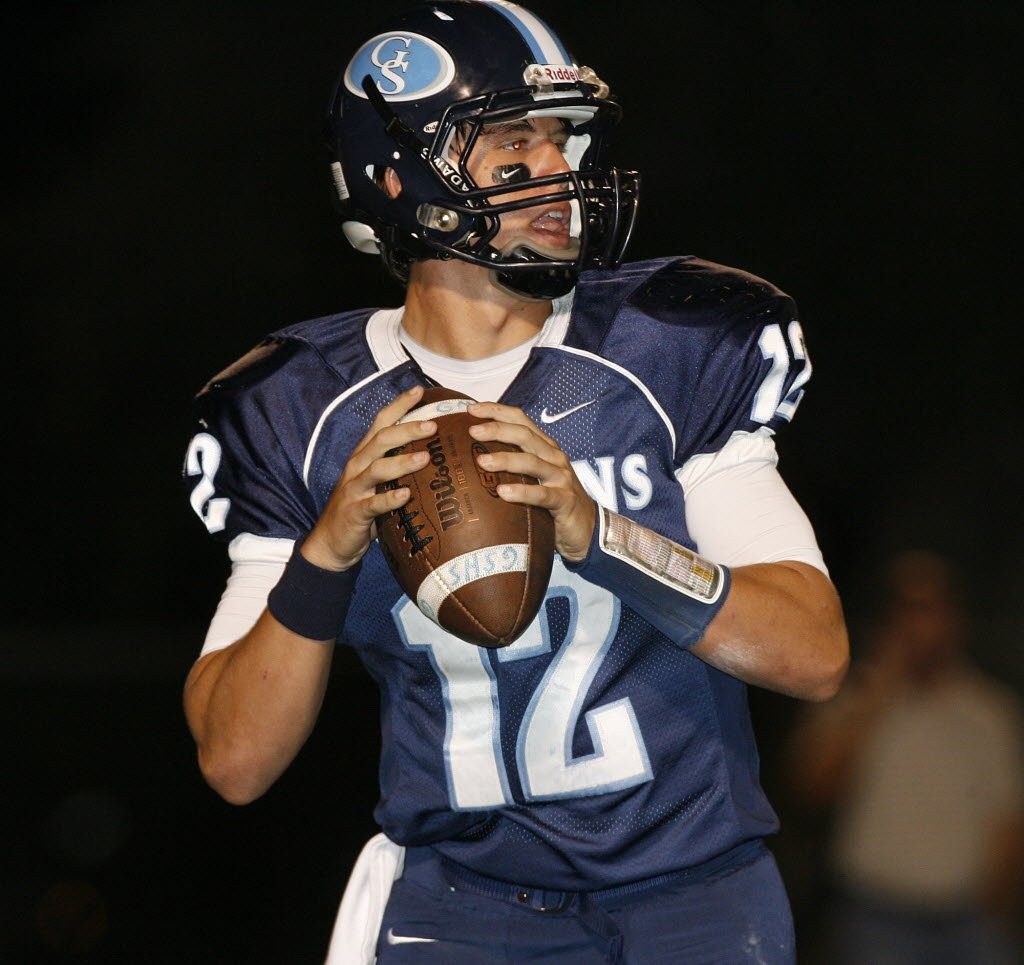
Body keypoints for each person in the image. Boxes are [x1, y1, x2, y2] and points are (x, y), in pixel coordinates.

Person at [181, 2, 848, 961]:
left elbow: (814, 652)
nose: (560, 182)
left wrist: (597, 533)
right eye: (514, 155)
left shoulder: (668, 346)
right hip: (462, 908)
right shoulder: (305, 409)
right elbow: (235, 761)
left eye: (562, 147)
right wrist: (327, 549)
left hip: (695, 897)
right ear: (402, 181)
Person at [783, 550, 1024, 964]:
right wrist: (878, 693)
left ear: (955, 618)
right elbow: (811, 788)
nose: (922, 625)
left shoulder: (989, 712)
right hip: (876, 917)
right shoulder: (850, 697)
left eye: (932, 608)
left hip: (969, 920)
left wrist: (999, 906)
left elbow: (1010, 823)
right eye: (909, 609)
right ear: (888, 618)